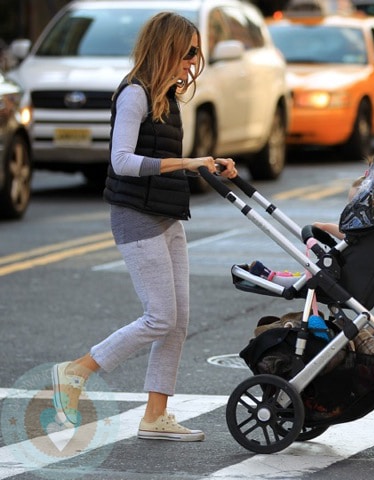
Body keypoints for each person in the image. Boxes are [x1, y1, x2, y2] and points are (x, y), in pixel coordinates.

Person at [50, 12, 238, 442]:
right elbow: (122, 162)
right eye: (189, 52)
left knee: (179, 319)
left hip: (166, 213)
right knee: (159, 318)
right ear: (167, 48)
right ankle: (76, 372)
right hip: (135, 214)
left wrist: (208, 168)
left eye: (197, 52)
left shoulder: (166, 97)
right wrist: (189, 162)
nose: (195, 61)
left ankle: (155, 415)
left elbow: (161, 162)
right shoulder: (135, 94)